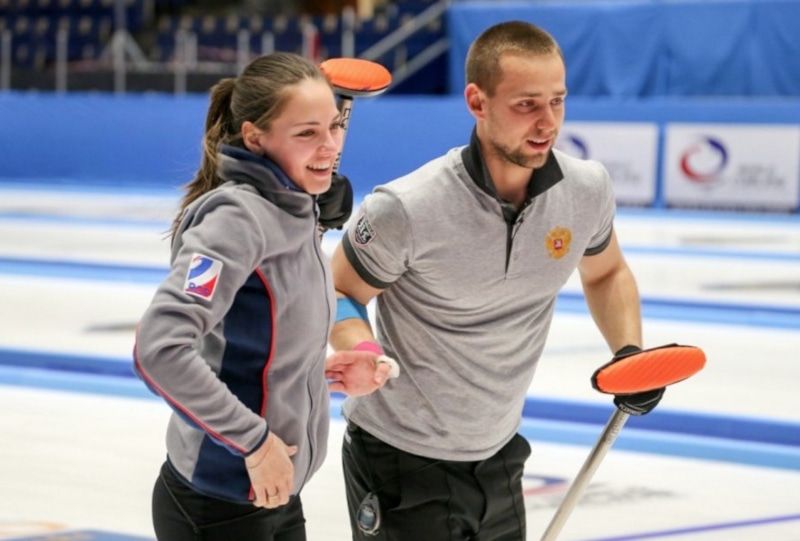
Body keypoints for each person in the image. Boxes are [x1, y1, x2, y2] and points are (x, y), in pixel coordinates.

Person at [326, 21, 666, 540]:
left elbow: (608, 271)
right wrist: (363, 347)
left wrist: (628, 351)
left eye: (557, 101)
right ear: (477, 101)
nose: (546, 122)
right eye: (526, 104)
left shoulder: (586, 189)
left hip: (500, 454)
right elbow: (340, 289)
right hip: (398, 460)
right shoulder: (407, 207)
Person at [133, 51, 393, 541]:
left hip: (273, 494)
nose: (331, 146)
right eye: (306, 133)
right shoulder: (237, 219)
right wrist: (253, 443)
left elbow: (249, 341)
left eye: (334, 126)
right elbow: (160, 350)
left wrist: (308, 374)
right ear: (255, 137)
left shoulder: (293, 209)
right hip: (218, 504)